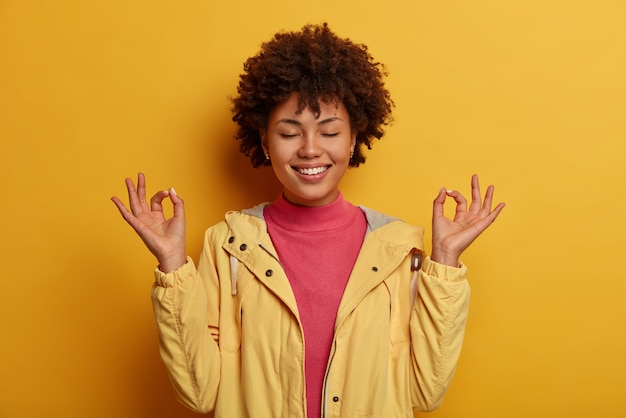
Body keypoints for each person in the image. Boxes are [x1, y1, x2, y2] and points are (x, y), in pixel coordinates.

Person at [111, 23, 504, 418]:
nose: (311, 149)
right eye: (289, 133)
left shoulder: (402, 250)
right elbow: (200, 394)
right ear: (265, 142)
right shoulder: (227, 244)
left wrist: (447, 261)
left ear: (353, 139)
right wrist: (173, 264)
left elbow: (425, 394)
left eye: (329, 131)